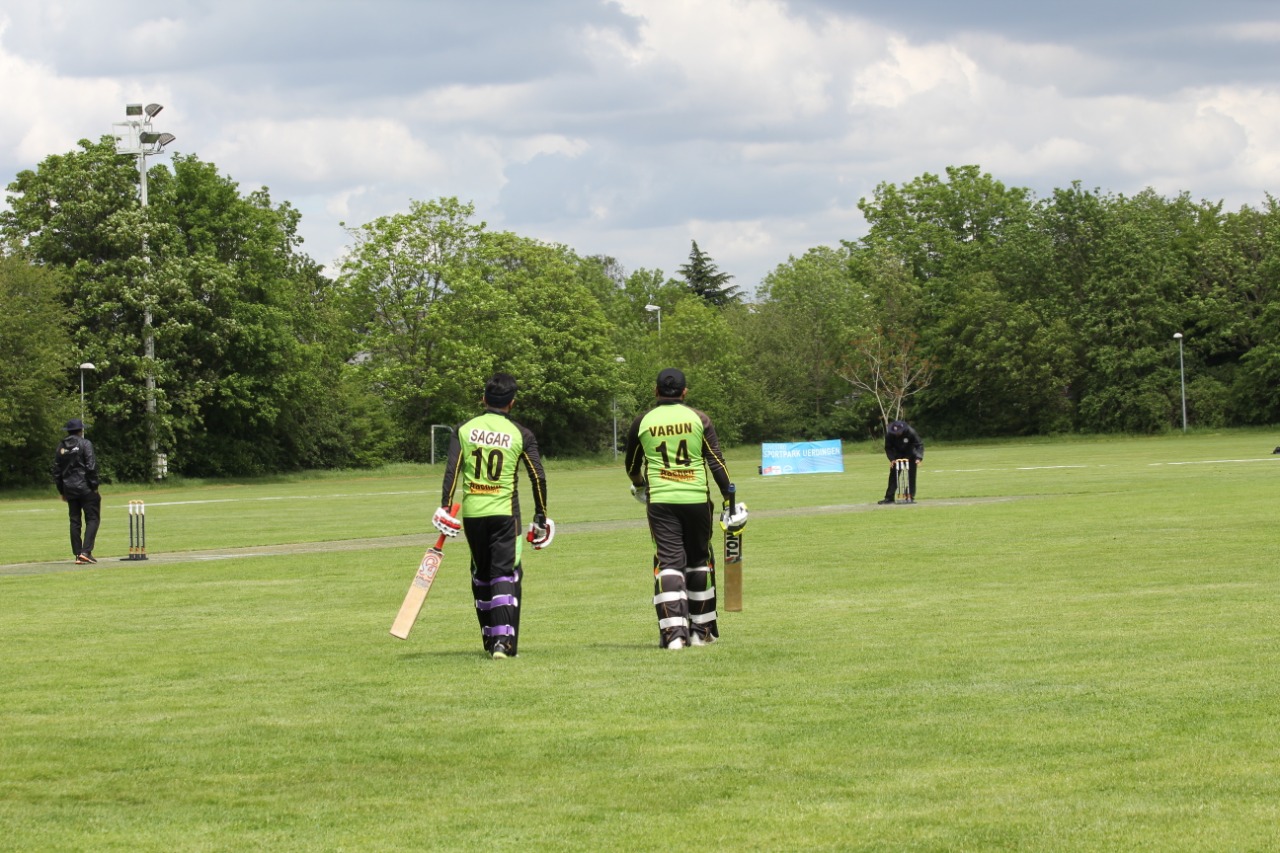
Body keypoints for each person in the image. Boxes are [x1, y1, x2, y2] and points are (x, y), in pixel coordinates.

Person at [623, 368, 747, 651]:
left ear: (656, 392)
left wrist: (640, 485)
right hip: (696, 500)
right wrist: (730, 500)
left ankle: (673, 635)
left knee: (668, 562)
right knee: (699, 560)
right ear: (684, 392)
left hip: (662, 502)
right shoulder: (699, 419)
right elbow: (716, 462)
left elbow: (631, 466)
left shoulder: (642, 421)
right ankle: (701, 633)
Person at [433, 373, 551, 659]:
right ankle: (502, 642)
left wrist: (445, 508)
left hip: (473, 514)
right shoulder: (521, 434)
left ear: (484, 399)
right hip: (505, 514)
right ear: (512, 403)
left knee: (481, 573)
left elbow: (452, 471)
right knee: (504, 573)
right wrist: (541, 516)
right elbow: (538, 478)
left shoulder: (464, 429)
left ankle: (489, 638)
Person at [51, 418, 101, 564]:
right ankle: (86, 552)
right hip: (86, 488)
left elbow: (57, 471)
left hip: (69, 489)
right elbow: (91, 467)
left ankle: (78, 553)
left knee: (74, 521)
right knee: (92, 518)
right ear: (81, 430)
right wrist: (94, 486)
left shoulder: (61, 446)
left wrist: (62, 491)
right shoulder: (85, 443)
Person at [878, 419, 924, 504]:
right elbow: (888, 448)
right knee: (893, 477)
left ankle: (909, 496)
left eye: (899, 432)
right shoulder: (890, 435)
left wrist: (918, 457)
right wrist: (892, 459)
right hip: (897, 456)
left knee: (911, 476)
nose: (897, 434)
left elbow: (919, 444)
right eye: (896, 432)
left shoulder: (910, 432)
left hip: (911, 455)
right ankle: (889, 498)